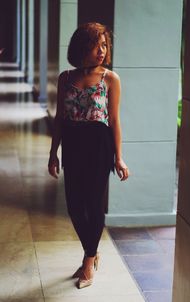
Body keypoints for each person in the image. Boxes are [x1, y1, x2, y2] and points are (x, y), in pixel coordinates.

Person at [48, 22, 130, 289]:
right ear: (82, 46)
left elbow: (115, 120)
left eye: (105, 45)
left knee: (93, 204)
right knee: (74, 206)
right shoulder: (65, 78)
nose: (102, 51)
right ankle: (92, 252)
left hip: (99, 146)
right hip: (72, 145)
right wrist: (53, 153)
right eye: (97, 45)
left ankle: (88, 262)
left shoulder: (111, 79)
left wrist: (119, 157)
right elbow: (60, 119)